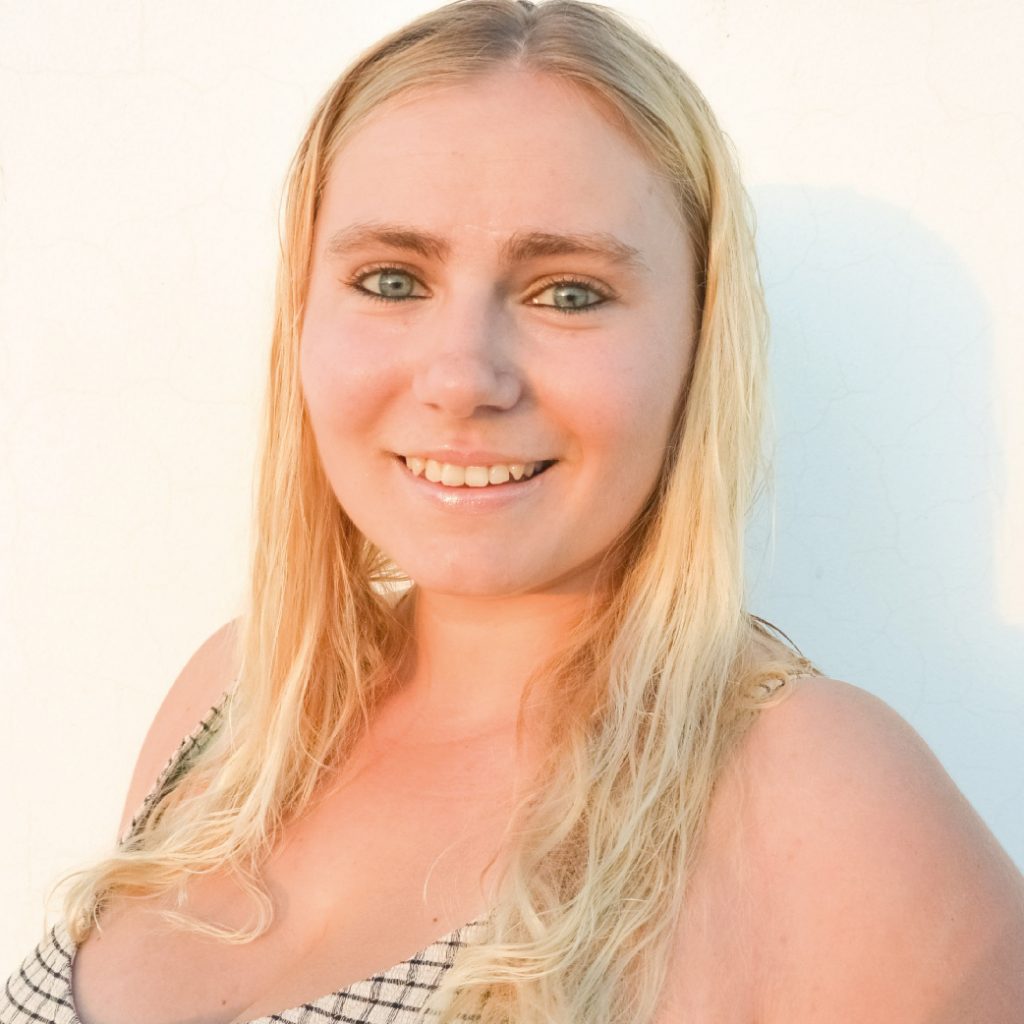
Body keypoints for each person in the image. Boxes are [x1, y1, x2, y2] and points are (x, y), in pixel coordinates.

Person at [3, 1, 1023, 1022]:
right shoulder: (238, 697)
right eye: (391, 280)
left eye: (567, 293)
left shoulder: (812, 791)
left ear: (698, 343)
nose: (461, 379)